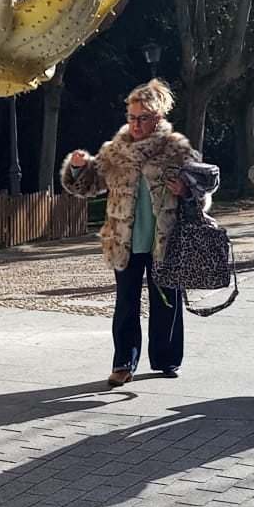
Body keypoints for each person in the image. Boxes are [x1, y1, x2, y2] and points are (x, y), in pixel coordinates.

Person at [62, 79, 219, 387]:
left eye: (142, 117)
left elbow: (202, 193)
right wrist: (78, 168)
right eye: (131, 117)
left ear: (157, 118)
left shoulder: (177, 150)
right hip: (124, 240)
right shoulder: (115, 151)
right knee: (126, 303)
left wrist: (185, 190)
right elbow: (88, 186)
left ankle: (167, 359)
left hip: (167, 239)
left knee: (167, 302)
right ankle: (123, 363)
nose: (135, 123)